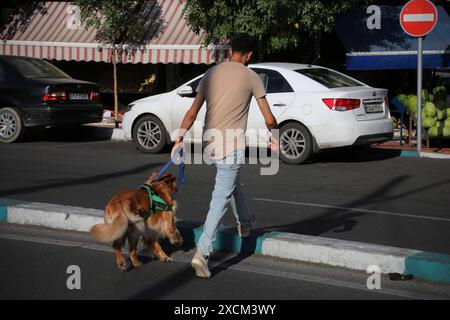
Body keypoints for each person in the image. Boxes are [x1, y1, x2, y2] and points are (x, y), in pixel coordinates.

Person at [171, 34, 278, 278]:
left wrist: (179, 138)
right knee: (220, 196)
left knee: (230, 185)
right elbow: (269, 117)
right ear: (249, 55)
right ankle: (203, 253)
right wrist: (276, 135)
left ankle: (245, 223)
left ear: (230, 51)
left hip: (211, 145)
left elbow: (192, 112)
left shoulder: (211, 74)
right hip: (231, 147)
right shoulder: (252, 77)